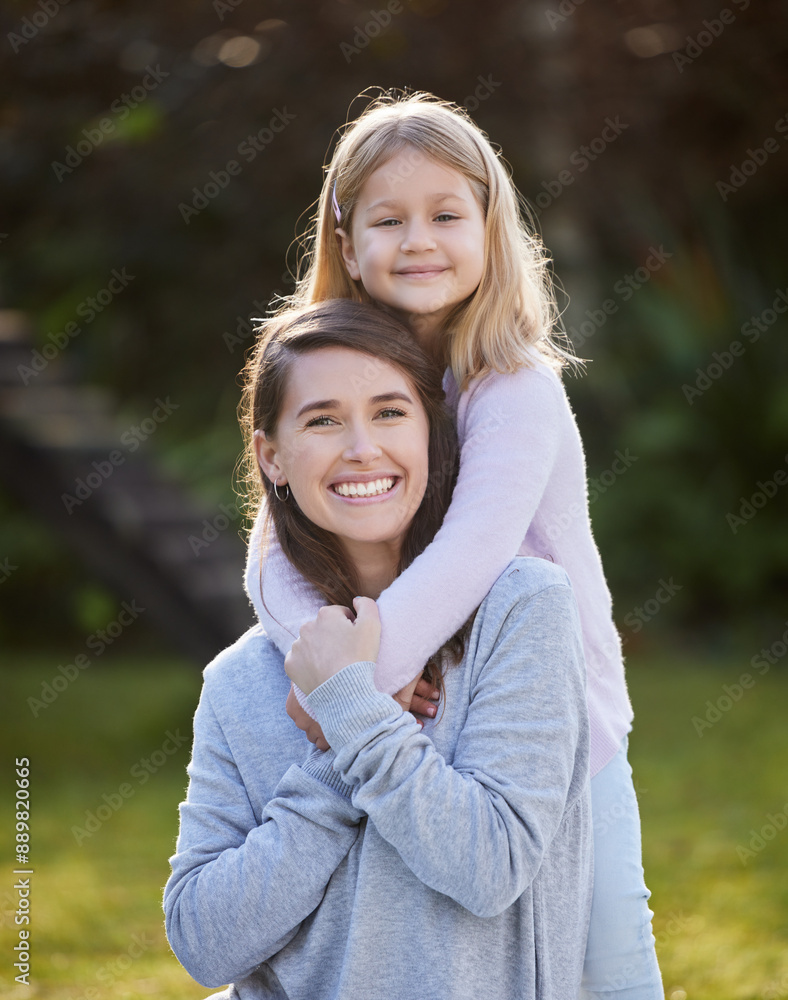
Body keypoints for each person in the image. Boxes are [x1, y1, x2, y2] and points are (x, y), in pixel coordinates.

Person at [244, 91, 664, 999]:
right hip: (417, 712)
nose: (418, 240)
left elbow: (475, 550)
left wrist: (357, 674)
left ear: (490, 229)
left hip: (555, 723)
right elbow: (273, 552)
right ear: (347, 244)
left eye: (446, 214)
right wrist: (329, 670)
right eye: (388, 220)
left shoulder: (514, 388)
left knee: (608, 961)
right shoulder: (340, 369)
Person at [164, 299, 593, 999]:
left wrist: (352, 713)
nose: (362, 447)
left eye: (391, 412)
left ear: (432, 433)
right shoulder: (241, 679)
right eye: (323, 419)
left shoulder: (522, 608)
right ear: (272, 456)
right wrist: (344, 737)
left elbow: (490, 868)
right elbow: (204, 945)